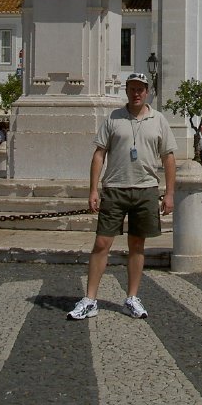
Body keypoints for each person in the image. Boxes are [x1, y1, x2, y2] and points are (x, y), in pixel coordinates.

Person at [67, 72, 176, 321]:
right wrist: (93, 189)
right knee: (101, 243)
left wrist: (169, 193)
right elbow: (99, 154)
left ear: (147, 92)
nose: (136, 93)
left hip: (146, 189)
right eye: (132, 88)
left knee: (137, 245)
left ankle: (132, 298)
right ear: (126, 91)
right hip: (115, 188)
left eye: (140, 89)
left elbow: (168, 157)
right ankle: (90, 299)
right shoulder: (113, 118)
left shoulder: (159, 119)